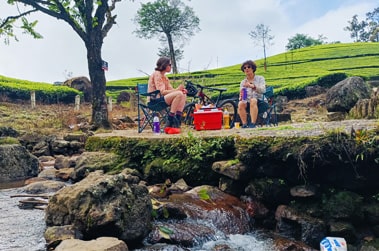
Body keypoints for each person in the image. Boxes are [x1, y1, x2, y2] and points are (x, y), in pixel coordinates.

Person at [148, 57, 187, 132]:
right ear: (164, 65)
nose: (171, 66)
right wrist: (177, 90)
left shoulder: (165, 78)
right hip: (154, 101)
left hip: (162, 100)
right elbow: (162, 91)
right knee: (179, 93)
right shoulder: (157, 74)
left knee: (182, 94)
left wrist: (180, 90)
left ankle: (177, 120)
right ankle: (170, 120)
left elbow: (171, 91)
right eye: (169, 64)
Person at [237, 60, 266, 128]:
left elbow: (263, 90)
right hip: (247, 101)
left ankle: (253, 123)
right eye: (244, 68)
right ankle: (244, 124)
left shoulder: (260, 78)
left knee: (253, 100)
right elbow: (242, 94)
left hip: (260, 100)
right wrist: (241, 97)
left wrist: (253, 86)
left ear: (253, 68)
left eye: (248, 67)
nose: (246, 69)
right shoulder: (243, 82)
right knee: (240, 103)